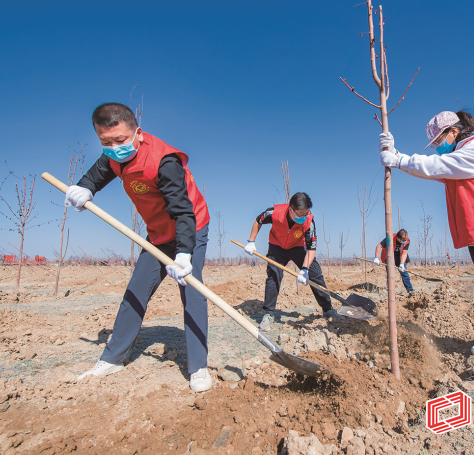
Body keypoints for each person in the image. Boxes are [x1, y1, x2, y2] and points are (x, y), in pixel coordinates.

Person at [378, 110, 474, 392]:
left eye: (439, 140)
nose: (439, 146)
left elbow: (439, 166)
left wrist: (400, 160)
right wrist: (396, 153)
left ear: (454, 131)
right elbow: (437, 170)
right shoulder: (460, 153)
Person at [64, 103, 212, 392]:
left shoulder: (164, 162)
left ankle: (198, 367)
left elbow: (183, 212)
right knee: (135, 291)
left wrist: (183, 253)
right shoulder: (114, 155)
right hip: (157, 234)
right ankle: (113, 358)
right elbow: (103, 167)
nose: (113, 147)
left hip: (189, 229)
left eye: (120, 140)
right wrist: (86, 187)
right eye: (105, 142)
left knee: (192, 292)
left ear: (137, 133)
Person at [243, 193, 342, 332]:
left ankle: (328, 309)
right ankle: (268, 314)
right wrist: (251, 241)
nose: (304, 217)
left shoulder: (309, 221)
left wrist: (305, 269)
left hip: (297, 247)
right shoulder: (274, 213)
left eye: (306, 213)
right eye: (301, 214)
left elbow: (311, 248)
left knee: (315, 273)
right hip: (277, 246)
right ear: (291, 209)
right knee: (274, 276)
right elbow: (258, 220)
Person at [373, 229, 414, 293]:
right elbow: (378, 246)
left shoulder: (407, 241)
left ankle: (410, 290)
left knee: (405, 273)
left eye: (406, 239)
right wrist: (376, 258)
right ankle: (390, 291)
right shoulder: (389, 238)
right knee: (390, 274)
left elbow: (404, 253)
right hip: (389, 256)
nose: (405, 241)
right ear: (398, 238)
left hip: (399, 256)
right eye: (403, 240)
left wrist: (402, 264)